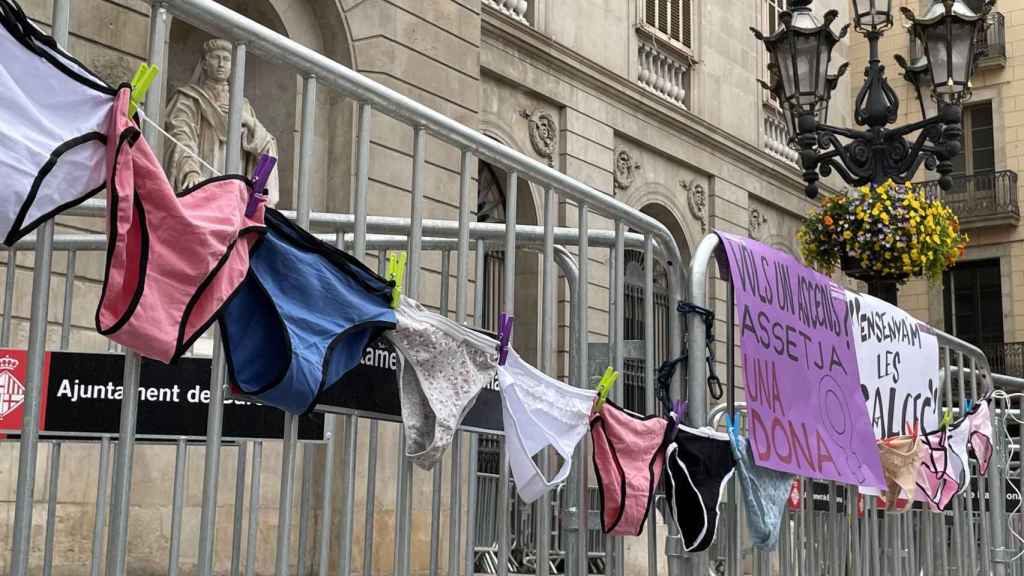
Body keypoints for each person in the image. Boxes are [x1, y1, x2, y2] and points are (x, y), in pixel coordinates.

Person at [164, 38, 279, 204]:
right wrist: (190, 171)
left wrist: (248, 122)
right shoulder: (188, 98)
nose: (221, 64)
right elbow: (180, 136)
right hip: (202, 181)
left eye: (226, 59)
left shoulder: (243, 105)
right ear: (204, 63)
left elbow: (267, 146)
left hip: (234, 191)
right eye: (215, 57)